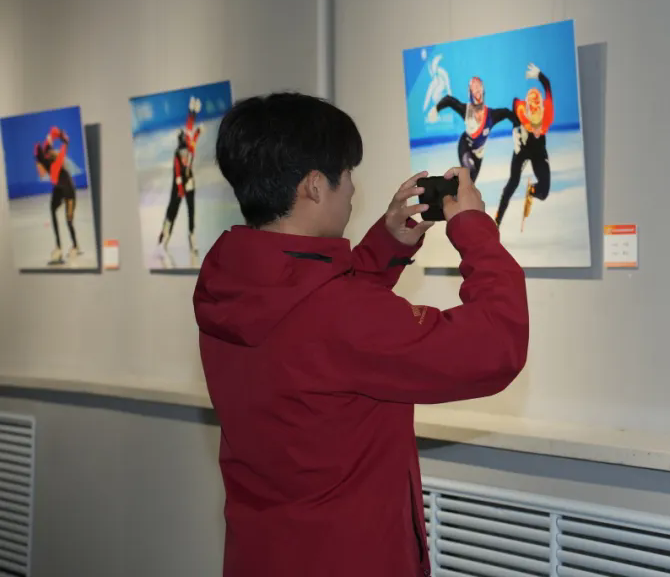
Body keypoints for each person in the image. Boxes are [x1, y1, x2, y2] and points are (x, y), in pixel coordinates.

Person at [193, 91, 528, 577]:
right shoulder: (339, 314)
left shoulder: (229, 284)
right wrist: (474, 229)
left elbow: (316, 337)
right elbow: (495, 346)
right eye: (347, 174)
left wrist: (385, 247)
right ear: (314, 186)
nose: (352, 189)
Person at [494, 63, 554, 230]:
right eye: (533, 125)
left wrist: (539, 74)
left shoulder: (548, 112)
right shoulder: (521, 112)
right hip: (522, 149)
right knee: (512, 183)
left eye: (539, 123)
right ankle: (497, 220)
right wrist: (515, 131)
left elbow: (547, 85)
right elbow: (509, 110)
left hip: (538, 150)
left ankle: (532, 190)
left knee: (544, 192)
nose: (537, 129)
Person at [428, 75, 515, 182]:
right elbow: (449, 100)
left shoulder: (491, 115)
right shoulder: (466, 110)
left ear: (483, 90)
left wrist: (519, 125)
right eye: (474, 87)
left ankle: (452, 189)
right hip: (465, 146)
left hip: (479, 155)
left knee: (470, 183)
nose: (477, 88)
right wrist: (436, 109)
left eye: (479, 86)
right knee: (468, 175)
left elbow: (506, 113)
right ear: (470, 92)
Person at [158, 95, 202, 261]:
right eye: (181, 153)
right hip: (178, 186)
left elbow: (191, 132)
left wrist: (193, 113)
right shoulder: (177, 156)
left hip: (189, 182)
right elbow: (177, 174)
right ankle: (164, 238)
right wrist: (180, 189)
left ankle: (192, 237)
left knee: (191, 212)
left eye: (185, 153)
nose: (184, 156)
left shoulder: (190, 147)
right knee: (172, 211)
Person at [34, 126, 80, 265]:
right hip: (59, 188)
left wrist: (64, 140)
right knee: (52, 210)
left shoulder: (54, 166)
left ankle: (75, 246)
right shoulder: (45, 153)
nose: (38, 172)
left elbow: (63, 151)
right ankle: (58, 247)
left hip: (69, 191)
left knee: (69, 221)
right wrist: (57, 134)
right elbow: (51, 133)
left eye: (38, 167)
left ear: (42, 164)